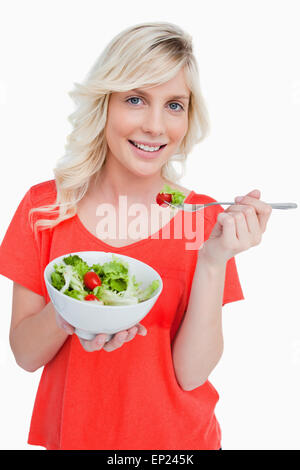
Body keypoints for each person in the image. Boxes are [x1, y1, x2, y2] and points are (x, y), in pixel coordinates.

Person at [0, 22, 272, 450]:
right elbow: (24, 354)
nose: (155, 126)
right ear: (104, 104)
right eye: (135, 99)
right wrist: (69, 314)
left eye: (174, 106)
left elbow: (192, 373)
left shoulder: (200, 217)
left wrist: (213, 259)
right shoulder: (45, 208)